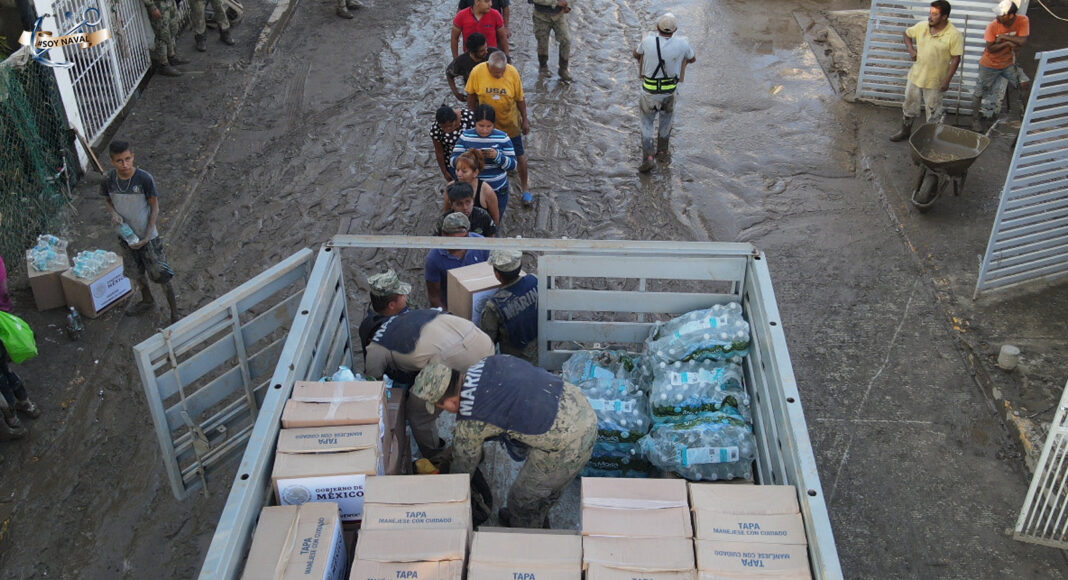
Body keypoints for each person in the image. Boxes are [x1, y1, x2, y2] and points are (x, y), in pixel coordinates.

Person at [411, 355, 597, 528]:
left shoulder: (471, 421)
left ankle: (527, 533)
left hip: (569, 442)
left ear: (451, 402)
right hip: (578, 404)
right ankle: (537, 512)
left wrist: (446, 493)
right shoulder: (488, 363)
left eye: (440, 406)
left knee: (523, 498)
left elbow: (462, 470)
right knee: (545, 488)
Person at [364, 308, 494, 464]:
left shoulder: (374, 349)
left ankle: (435, 456)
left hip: (459, 362)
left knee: (418, 413)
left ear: (368, 338)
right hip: (484, 343)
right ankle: (472, 443)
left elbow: (375, 393)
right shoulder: (404, 316)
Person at [101, 141, 180, 323]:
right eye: (120, 161)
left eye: (128, 159)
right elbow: (107, 200)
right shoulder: (108, 181)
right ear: (112, 161)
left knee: (161, 274)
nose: (125, 164)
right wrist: (113, 214)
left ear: (133, 157)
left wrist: (148, 235)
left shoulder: (144, 179)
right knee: (136, 273)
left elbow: (155, 207)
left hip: (148, 238)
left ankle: (174, 312)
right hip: (127, 237)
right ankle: (147, 300)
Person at [890, 1, 963, 142]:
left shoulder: (954, 35)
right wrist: (911, 49)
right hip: (916, 77)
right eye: (930, 13)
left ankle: (930, 141)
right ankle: (905, 131)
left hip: (936, 82)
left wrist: (947, 81)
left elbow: (956, 59)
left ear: (944, 17)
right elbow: (906, 34)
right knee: (909, 105)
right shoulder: (922, 26)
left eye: (935, 14)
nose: (930, 17)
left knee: (934, 113)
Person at [466, 52, 532, 204]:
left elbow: (520, 99)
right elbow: (471, 95)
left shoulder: (513, 72)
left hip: (510, 122)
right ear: (488, 66)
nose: (499, 75)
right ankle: (482, 187)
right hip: (486, 125)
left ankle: (525, 188)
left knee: (519, 155)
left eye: (502, 73)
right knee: (482, 155)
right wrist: (472, 118)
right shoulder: (477, 72)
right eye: (496, 73)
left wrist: (525, 120)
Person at [634, 13, 695, 173]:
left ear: (657, 28)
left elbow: (636, 54)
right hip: (669, 92)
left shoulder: (647, 41)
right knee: (666, 122)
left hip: (649, 92)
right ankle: (662, 152)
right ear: (676, 30)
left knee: (647, 124)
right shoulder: (682, 44)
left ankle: (648, 157)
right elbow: (692, 58)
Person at [971, 0, 1029, 131]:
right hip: (989, 64)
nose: (997, 17)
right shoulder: (993, 26)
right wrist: (1008, 44)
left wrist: (1004, 37)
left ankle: (1024, 116)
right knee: (980, 91)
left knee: (1024, 83)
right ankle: (975, 119)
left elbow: (1022, 41)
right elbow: (991, 48)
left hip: (1009, 63)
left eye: (1001, 15)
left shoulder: (1022, 20)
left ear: (1011, 16)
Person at [451, 105, 517, 218]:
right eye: (481, 126)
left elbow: (513, 165)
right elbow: (453, 161)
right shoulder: (466, 137)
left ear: (494, 124)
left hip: (497, 188)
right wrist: (471, 155)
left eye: (489, 126)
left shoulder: (503, 138)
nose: (485, 130)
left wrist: (497, 156)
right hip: (470, 191)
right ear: (475, 122)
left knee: (495, 219)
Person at [479, 250, 537, 363]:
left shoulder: (493, 306)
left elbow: (486, 343)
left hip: (516, 364)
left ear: (497, 274)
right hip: (543, 352)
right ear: (520, 267)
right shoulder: (535, 280)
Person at [425, 212, 490, 309]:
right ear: (444, 234)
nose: (461, 243)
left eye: (464, 238)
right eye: (456, 240)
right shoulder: (434, 259)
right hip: (452, 306)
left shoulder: (481, 244)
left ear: (468, 234)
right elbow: (434, 298)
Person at [358, 269, 412, 365]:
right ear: (391, 305)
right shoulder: (386, 332)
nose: (406, 296)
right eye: (402, 295)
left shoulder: (369, 320)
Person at [450, 149, 501, 226]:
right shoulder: (450, 187)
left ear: (475, 173)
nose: (459, 174)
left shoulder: (487, 191)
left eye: (464, 171)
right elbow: (446, 214)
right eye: (457, 170)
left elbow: (495, 221)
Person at [446, 33, 500, 103]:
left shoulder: (494, 54)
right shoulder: (461, 62)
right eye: (482, 51)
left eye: (486, 47)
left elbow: (508, 66)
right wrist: (456, 93)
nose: (486, 51)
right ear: (472, 52)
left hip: (496, 94)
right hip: (475, 98)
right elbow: (449, 75)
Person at [143, 0, 188, 77]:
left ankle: (171, 57)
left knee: (173, 29)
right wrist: (152, 7)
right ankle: (163, 65)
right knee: (162, 34)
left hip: (170, 3)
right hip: (158, 5)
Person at [432, 105, 477, 183]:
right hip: (453, 164)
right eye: (444, 127)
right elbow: (439, 152)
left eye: (450, 126)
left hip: (473, 160)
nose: (447, 129)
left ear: (455, 120)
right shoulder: (436, 128)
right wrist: (445, 172)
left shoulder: (469, 117)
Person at [532, 0, 572, 81]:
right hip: (541, 16)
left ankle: (563, 69)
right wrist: (555, 3)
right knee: (542, 41)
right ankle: (543, 67)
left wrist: (568, 6)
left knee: (566, 40)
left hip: (559, 15)